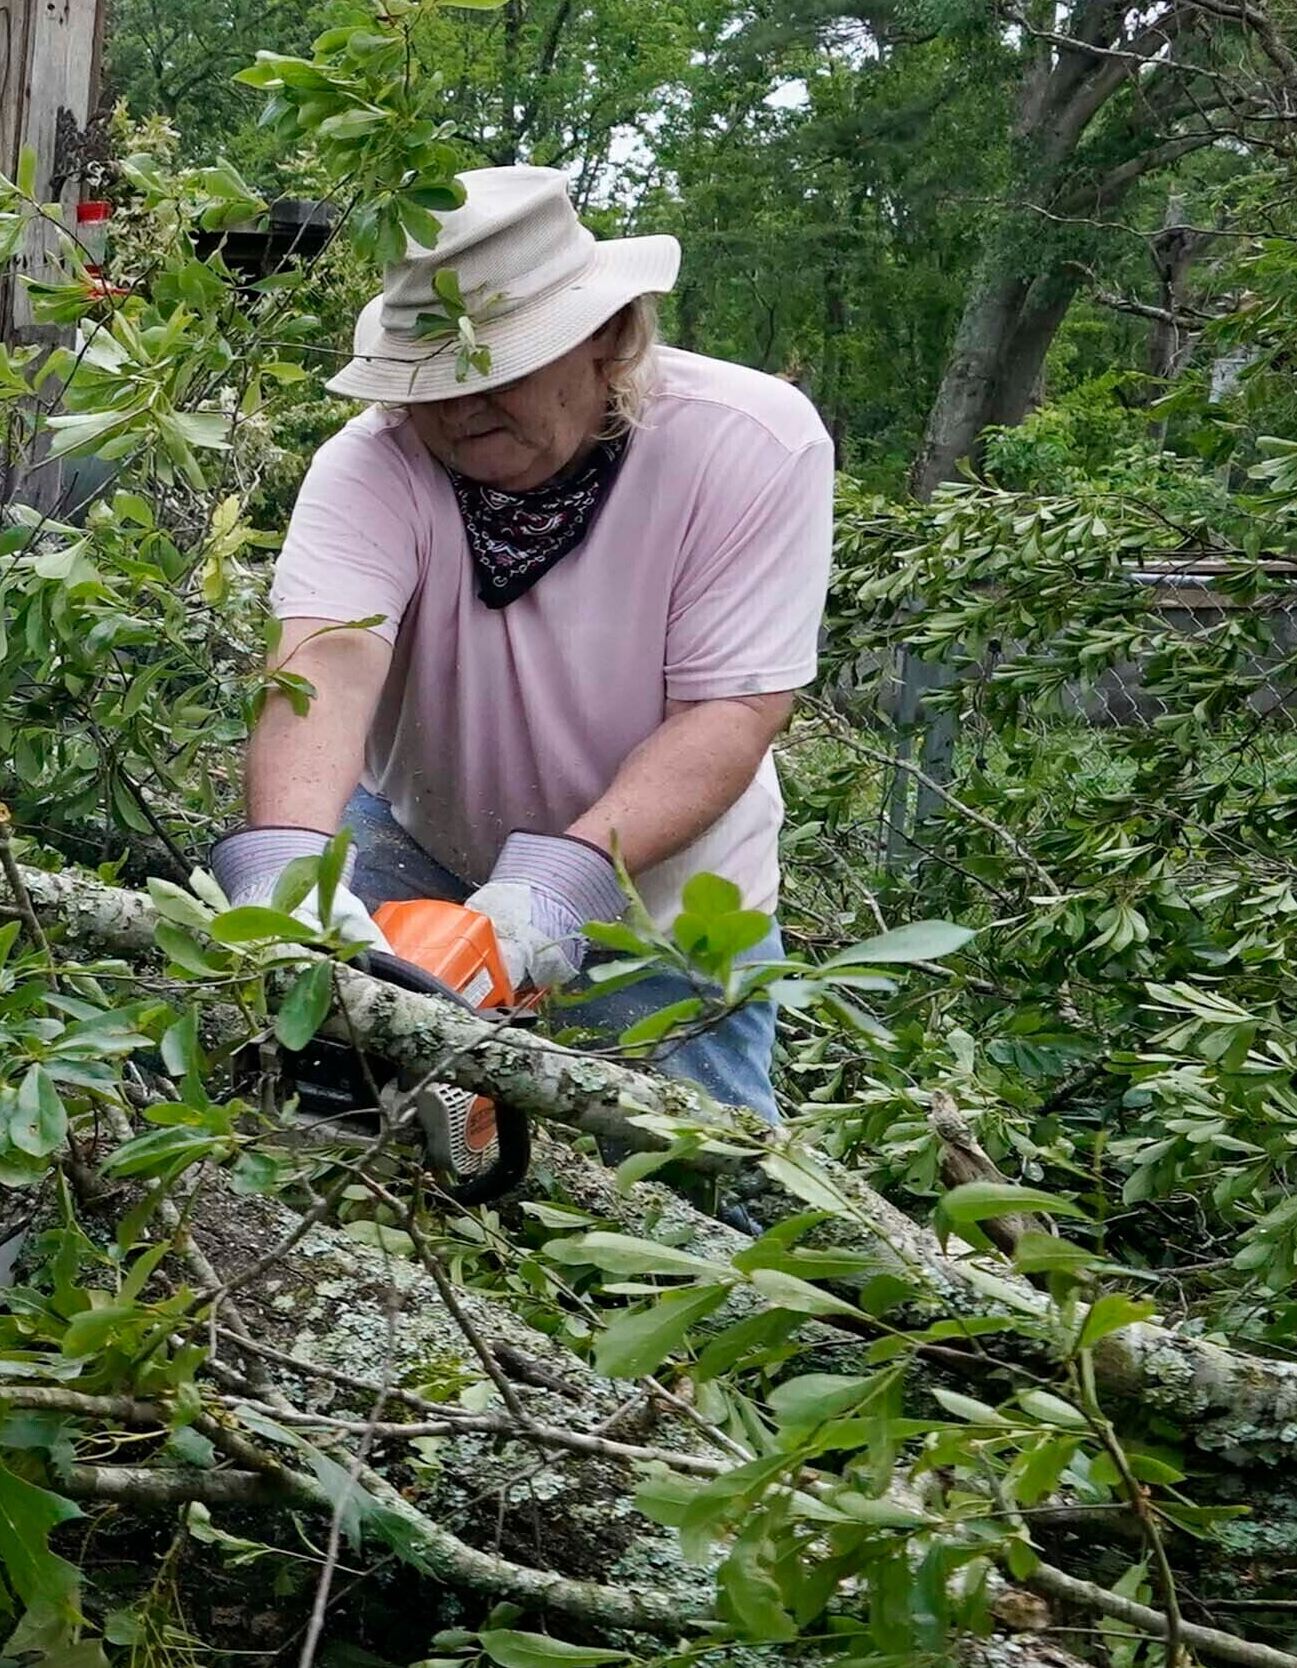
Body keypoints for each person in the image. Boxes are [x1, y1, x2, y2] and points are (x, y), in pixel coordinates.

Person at [204, 165, 836, 1118]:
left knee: (701, 1189)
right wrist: (289, 872)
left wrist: (554, 888)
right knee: (337, 1127)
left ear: (609, 340)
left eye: (497, 372)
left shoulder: (745, 443)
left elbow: (730, 710)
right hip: (414, 840)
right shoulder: (371, 463)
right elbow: (325, 662)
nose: (460, 410)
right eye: (431, 382)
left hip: (669, 898)